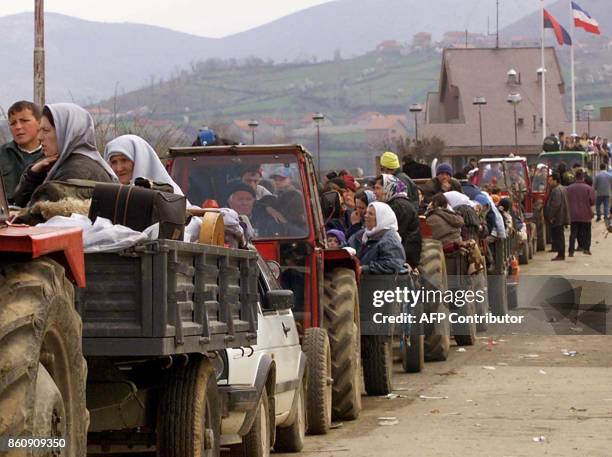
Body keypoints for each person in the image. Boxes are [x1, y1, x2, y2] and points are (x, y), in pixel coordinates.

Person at [12, 103, 116, 207]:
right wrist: (33, 175)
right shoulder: (61, 164)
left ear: (67, 133)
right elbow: (19, 203)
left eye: (46, 130)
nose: (39, 137)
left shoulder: (74, 171)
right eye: (40, 130)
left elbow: (39, 215)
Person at [104, 134, 183, 193]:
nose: (119, 168)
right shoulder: (109, 195)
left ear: (140, 160)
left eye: (124, 160)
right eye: (114, 162)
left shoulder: (170, 195)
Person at [373, 174, 421, 268]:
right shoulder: (395, 204)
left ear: (388, 188)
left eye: (378, 188)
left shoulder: (399, 207)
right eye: (374, 188)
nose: (374, 192)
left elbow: (395, 235)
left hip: (404, 257)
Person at [0, 101, 44, 203]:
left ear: (39, 123)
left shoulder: (51, 156)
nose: (18, 127)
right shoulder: (2, 155)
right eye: (13, 123)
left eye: (24, 120)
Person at [348, 202, 406, 274]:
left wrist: (365, 269)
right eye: (366, 213)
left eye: (370, 214)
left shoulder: (390, 240)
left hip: (379, 283)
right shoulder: (361, 235)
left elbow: (393, 264)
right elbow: (348, 246)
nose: (366, 216)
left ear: (381, 219)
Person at [566, 169, 595, 256]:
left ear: (575, 177)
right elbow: (592, 201)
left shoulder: (569, 188)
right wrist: (592, 212)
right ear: (583, 177)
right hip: (586, 214)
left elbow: (566, 200)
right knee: (587, 232)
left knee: (573, 233)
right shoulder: (589, 188)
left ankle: (571, 251)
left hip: (574, 214)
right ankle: (586, 249)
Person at [544, 172, 570, 261]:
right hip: (560, 216)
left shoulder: (556, 190)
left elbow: (555, 205)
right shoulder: (561, 188)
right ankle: (560, 253)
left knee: (559, 237)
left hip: (557, 217)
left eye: (550, 180)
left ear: (555, 180)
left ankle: (561, 254)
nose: (549, 182)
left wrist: (550, 216)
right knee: (559, 236)